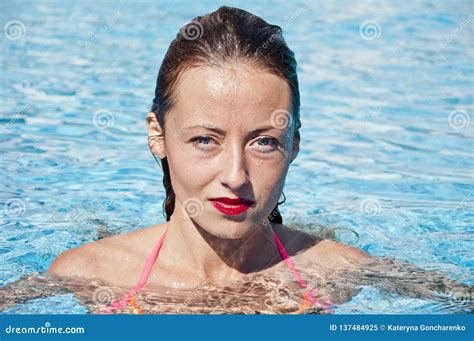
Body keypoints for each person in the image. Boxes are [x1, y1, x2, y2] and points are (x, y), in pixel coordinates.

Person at [46, 6, 370, 312]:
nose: (236, 176)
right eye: (204, 140)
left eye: (264, 142)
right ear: (157, 136)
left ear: (294, 144)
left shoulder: (343, 273)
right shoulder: (87, 275)